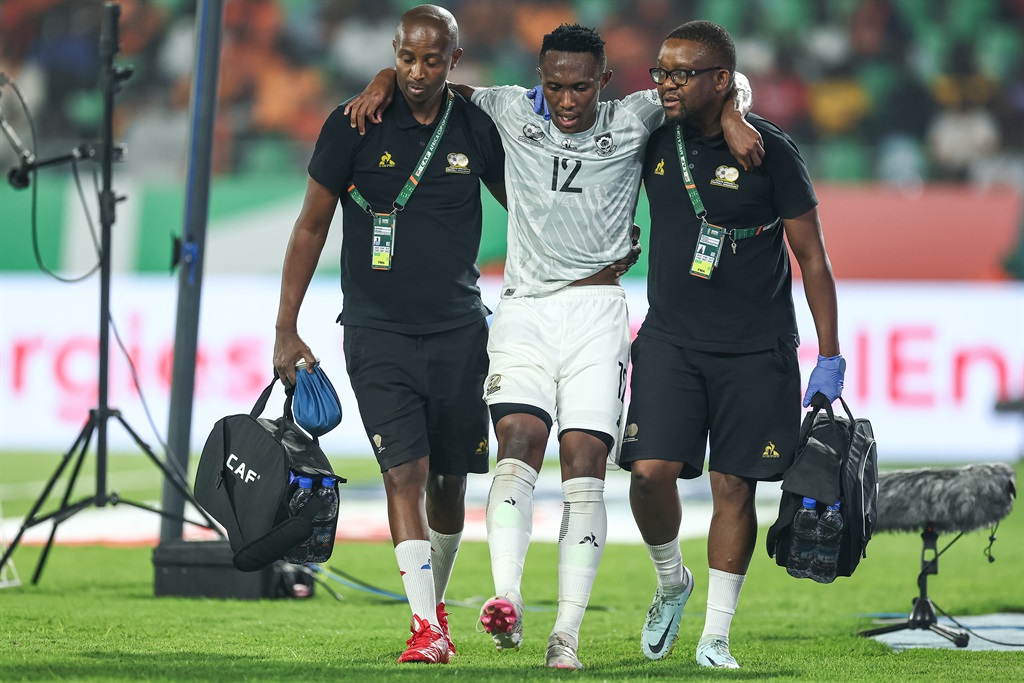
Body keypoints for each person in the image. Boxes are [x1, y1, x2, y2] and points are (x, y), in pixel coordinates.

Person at [348, 22, 762, 670]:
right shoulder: (510, 107)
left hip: (597, 311)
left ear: (604, 82)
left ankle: (564, 633)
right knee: (516, 442)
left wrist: (736, 113)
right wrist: (381, 78)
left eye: (578, 88)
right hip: (525, 309)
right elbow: (428, 85)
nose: (565, 102)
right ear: (539, 81)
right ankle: (506, 596)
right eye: (554, 86)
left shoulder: (635, 117)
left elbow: (726, 80)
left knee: (584, 459)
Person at [272, 5, 507, 665]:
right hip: (376, 331)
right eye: (405, 58)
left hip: (462, 329)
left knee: (451, 482)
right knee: (404, 470)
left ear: (454, 61)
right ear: (394, 53)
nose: (416, 72)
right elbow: (311, 224)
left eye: (433, 60)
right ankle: (426, 625)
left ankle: (439, 604)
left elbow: (525, 204)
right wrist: (286, 326)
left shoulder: (475, 125)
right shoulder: (355, 122)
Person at [619, 20, 844, 669]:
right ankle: (671, 581)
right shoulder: (653, 135)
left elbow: (813, 259)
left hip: (756, 347)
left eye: (680, 73)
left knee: (733, 487)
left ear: (719, 80)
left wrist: (829, 355)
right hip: (670, 341)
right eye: (660, 71)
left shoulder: (772, 151)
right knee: (648, 476)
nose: (663, 83)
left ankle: (715, 634)